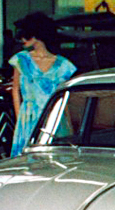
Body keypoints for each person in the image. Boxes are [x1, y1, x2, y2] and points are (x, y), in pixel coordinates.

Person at [8, 12, 76, 156]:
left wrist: (68, 126)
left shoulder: (62, 65)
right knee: (27, 158)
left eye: (26, 35)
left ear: (37, 35)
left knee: (56, 157)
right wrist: (20, 118)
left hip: (54, 117)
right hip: (28, 117)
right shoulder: (21, 60)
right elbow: (15, 90)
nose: (22, 39)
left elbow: (64, 97)